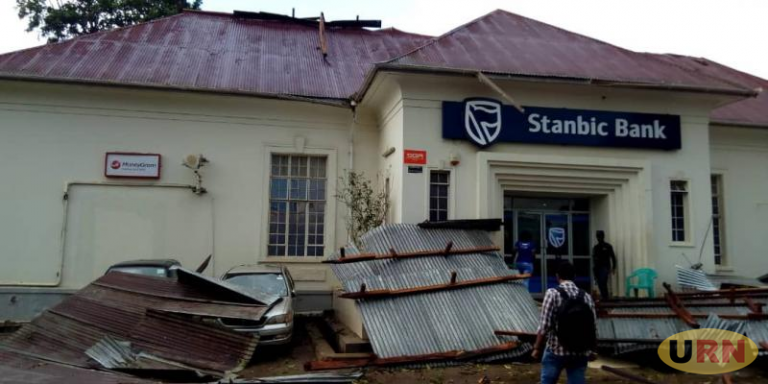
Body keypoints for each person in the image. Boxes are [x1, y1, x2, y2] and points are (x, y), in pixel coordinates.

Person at [532, 262, 597, 384]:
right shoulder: (586, 296)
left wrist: (536, 348)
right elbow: (592, 327)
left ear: (557, 276)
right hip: (580, 350)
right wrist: (592, 350)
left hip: (556, 349)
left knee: (547, 381)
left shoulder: (552, 293)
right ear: (575, 276)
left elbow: (544, 325)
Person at [592, 230, 617, 300]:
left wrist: (614, 267)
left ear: (603, 236)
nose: (599, 238)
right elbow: (594, 259)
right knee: (600, 283)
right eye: (598, 236)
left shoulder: (608, 246)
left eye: (600, 236)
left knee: (603, 281)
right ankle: (604, 297)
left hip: (605, 267)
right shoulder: (596, 247)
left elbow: (613, 257)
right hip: (597, 267)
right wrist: (594, 269)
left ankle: (605, 297)